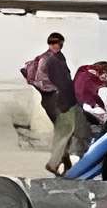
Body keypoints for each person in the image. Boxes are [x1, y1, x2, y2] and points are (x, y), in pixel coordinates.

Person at [22, 32, 73, 173]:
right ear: (49, 44)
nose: (57, 46)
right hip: (52, 99)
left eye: (59, 43)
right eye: (53, 43)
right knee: (65, 129)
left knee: (65, 130)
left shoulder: (59, 57)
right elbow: (40, 80)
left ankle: (64, 162)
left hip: (60, 98)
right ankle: (56, 163)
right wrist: (57, 87)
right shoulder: (46, 59)